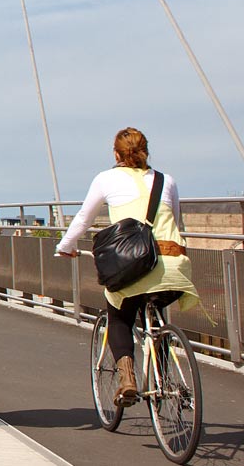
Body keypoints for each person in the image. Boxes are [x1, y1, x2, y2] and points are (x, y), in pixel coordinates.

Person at [55, 128, 198, 413]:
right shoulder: (166, 181)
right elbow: (176, 220)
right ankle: (164, 378)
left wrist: (65, 245)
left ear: (116, 154)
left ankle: (128, 378)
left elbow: (84, 218)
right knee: (155, 315)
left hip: (134, 267)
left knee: (118, 314)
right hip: (175, 266)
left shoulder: (106, 179)